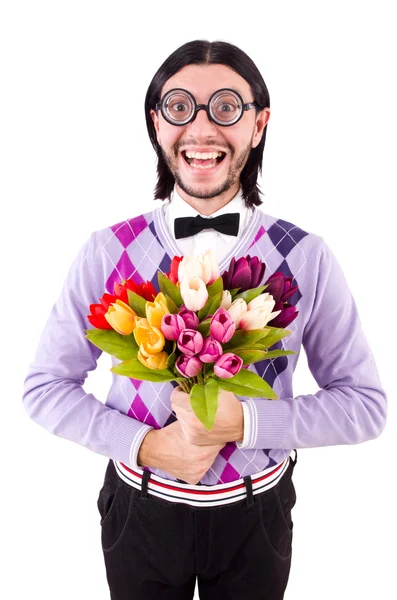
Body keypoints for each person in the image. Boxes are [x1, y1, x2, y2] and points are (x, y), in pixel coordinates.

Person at [22, 39, 387, 600]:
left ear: (259, 124)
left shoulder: (305, 254)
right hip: (138, 510)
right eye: (179, 107)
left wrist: (247, 424)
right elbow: (44, 387)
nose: (201, 129)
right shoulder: (107, 250)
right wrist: (144, 445)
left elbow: (365, 407)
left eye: (225, 108)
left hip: (256, 516)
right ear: (156, 123)